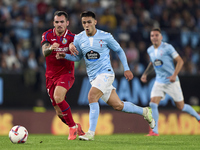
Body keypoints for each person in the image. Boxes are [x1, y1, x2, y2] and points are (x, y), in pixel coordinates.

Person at [56, 11, 155, 141]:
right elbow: (79, 57)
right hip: (93, 78)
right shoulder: (79, 38)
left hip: (106, 73)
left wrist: (126, 68)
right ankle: (145, 112)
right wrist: (66, 56)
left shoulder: (106, 36)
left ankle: (90, 133)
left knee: (91, 96)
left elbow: (119, 50)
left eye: (89, 22)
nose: (87, 25)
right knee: (118, 105)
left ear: (95, 22)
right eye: (84, 22)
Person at [141, 28, 200, 136]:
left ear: (161, 37)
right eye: (152, 35)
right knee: (153, 104)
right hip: (159, 81)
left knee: (181, 106)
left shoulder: (167, 47)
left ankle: (198, 117)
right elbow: (152, 63)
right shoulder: (150, 50)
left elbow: (180, 61)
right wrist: (145, 74)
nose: (154, 37)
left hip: (171, 81)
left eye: (156, 35)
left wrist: (174, 75)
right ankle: (155, 131)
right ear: (150, 37)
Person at [40, 11, 84, 140]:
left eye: (62, 22)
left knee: (58, 97)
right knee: (59, 113)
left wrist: (73, 46)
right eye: (57, 22)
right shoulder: (47, 35)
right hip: (50, 76)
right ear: (54, 23)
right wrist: (51, 48)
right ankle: (76, 126)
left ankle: (71, 129)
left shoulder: (73, 37)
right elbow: (45, 53)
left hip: (66, 74)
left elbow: (79, 55)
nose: (59, 24)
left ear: (67, 23)